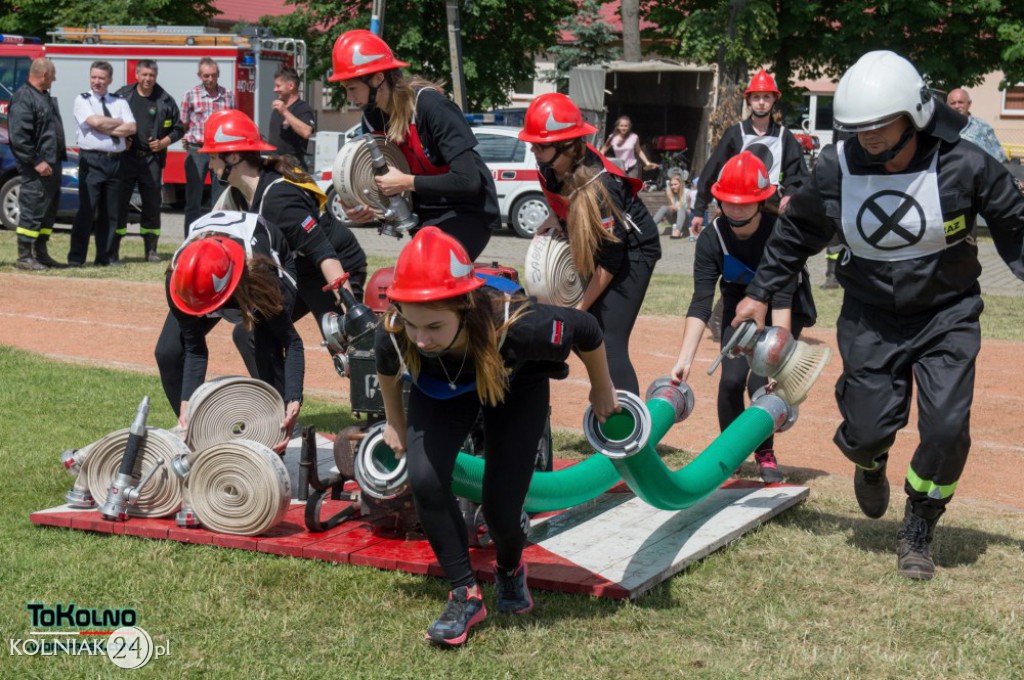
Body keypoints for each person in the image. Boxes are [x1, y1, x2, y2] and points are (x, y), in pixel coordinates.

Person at [732, 51, 1024, 580]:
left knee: (947, 430)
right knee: (867, 430)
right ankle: (870, 462)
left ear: (913, 115)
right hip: (870, 315)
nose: (865, 136)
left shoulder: (965, 161)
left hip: (948, 314)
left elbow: (1015, 222)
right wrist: (759, 291)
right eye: (857, 127)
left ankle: (920, 521)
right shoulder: (835, 166)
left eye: (878, 125)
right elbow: (796, 233)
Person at [375, 226, 618, 646]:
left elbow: (587, 330)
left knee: (501, 511)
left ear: (465, 307)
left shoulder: (523, 325)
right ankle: (465, 593)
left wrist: (602, 387)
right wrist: (394, 422)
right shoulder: (399, 326)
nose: (421, 338)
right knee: (426, 479)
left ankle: (509, 569)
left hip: (513, 385)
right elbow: (387, 368)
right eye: (413, 325)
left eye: (433, 325)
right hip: (444, 388)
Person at [154, 110, 366, 410]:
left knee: (349, 344)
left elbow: (324, 254)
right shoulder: (236, 194)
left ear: (234, 157)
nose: (210, 163)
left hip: (326, 269)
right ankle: (210, 424)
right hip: (288, 265)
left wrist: (351, 310)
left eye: (214, 156)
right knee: (172, 351)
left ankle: (384, 416)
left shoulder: (279, 200)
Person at [670, 151, 816, 483]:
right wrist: (684, 359)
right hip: (738, 302)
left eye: (744, 201)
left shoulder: (779, 233)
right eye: (728, 201)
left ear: (761, 201)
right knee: (732, 380)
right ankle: (730, 455)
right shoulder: (712, 238)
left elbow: (782, 294)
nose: (735, 208)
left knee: (760, 379)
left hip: (783, 303)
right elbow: (702, 302)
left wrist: (779, 357)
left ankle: (764, 454)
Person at [518, 92, 662, 394]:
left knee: (607, 340)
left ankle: (627, 432)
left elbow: (612, 258)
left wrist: (579, 310)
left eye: (540, 145)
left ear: (568, 146)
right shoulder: (549, 166)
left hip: (633, 250)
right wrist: (548, 228)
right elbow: (561, 209)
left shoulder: (601, 186)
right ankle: (607, 409)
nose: (532, 149)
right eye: (532, 143)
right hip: (601, 244)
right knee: (583, 339)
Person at [329, 29, 499, 260]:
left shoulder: (431, 107)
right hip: (424, 214)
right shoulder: (371, 118)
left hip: (467, 212)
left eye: (352, 88)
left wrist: (407, 182)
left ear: (378, 78)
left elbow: (468, 181)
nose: (350, 98)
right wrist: (362, 206)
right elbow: (383, 181)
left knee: (434, 273)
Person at [160, 210, 304, 450]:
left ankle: (278, 428)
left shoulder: (258, 275)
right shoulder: (176, 279)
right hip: (213, 273)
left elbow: (292, 342)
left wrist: (293, 397)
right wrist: (187, 400)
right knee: (168, 352)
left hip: (267, 264)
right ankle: (193, 429)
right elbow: (195, 350)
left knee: (262, 346)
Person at [691, 68, 808, 236]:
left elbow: (798, 174)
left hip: (772, 211)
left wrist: (789, 194)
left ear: (774, 99)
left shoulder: (785, 137)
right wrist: (698, 211)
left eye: (766, 97)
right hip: (737, 209)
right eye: (756, 97)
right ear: (749, 100)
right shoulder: (734, 134)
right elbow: (712, 170)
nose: (761, 102)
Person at [113, 60, 185, 263]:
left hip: (151, 160)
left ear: (156, 76)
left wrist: (163, 142)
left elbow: (179, 128)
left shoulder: (164, 99)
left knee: (152, 205)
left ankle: (151, 249)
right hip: (125, 158)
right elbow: (109, 120)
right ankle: (114, 248)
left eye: (151, 75)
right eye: (144, 75)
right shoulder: (122, 95)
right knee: (119, 204)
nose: (147, 79)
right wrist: (120, 140)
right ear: (136, 75)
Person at [66, 61, 136, 267]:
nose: (97, 82)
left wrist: (105, 125)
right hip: (92, 160)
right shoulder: (83, 99)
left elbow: (132, 127)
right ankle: (76, 258)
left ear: (110, 80)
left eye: (101, 78)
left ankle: (105, 257)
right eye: (93, 77)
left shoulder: (119, 101)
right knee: (87, 211)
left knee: (111, 212)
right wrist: (116, 121)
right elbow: (94, 122)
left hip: (116, 162)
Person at [8, 57, 66, 271]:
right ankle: (24, 256)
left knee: (47, 212)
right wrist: (37, 161)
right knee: (32, 209)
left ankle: (41, 254)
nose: (55, 78)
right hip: (37, 168)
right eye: (53, 74)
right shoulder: (24, 98)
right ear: (43, 76)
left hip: (52, 164)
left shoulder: (44, 96)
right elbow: (19, 137)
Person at [180, 57, 235, 234]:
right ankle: (191, 239)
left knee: (220, 198)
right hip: (198, 150)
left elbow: (232, 122)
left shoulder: (228, 96)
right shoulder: (190, 95)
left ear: (218, 74)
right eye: (206, 76)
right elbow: (183, 123)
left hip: (220, 151)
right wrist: (187, 139)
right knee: (193, 199)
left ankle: (216, 236)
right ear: (199, 76)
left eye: (213, 75)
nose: (210, 79)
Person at [268, 67, 315, 171]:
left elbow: (307, 132)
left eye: (278, 86)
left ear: (291, 86)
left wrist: (285, 112)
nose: (274, 89)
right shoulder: (278, 109)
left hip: (293, 170)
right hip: (275, 168)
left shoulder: (303, 108)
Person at [946, 88, 1006, 162]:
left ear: (969, 104)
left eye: (960, 102)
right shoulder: (942, 126)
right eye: (953, 103)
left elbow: (999, 158)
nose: (957, 106)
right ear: (947, 105)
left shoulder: (983, 128)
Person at [652, 171, 690, 239]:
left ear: (681, 184)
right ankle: (649, 227)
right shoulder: (671, 194)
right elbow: (672, 209)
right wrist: (671, 202)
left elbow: (691, 211)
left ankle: (678, 231)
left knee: (681, 209)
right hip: (675, 221)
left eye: (675, 184)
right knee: (664, 207)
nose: (673, 187)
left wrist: (679, 209)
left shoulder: (687, 193)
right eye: (671, 185)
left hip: (687, 221)